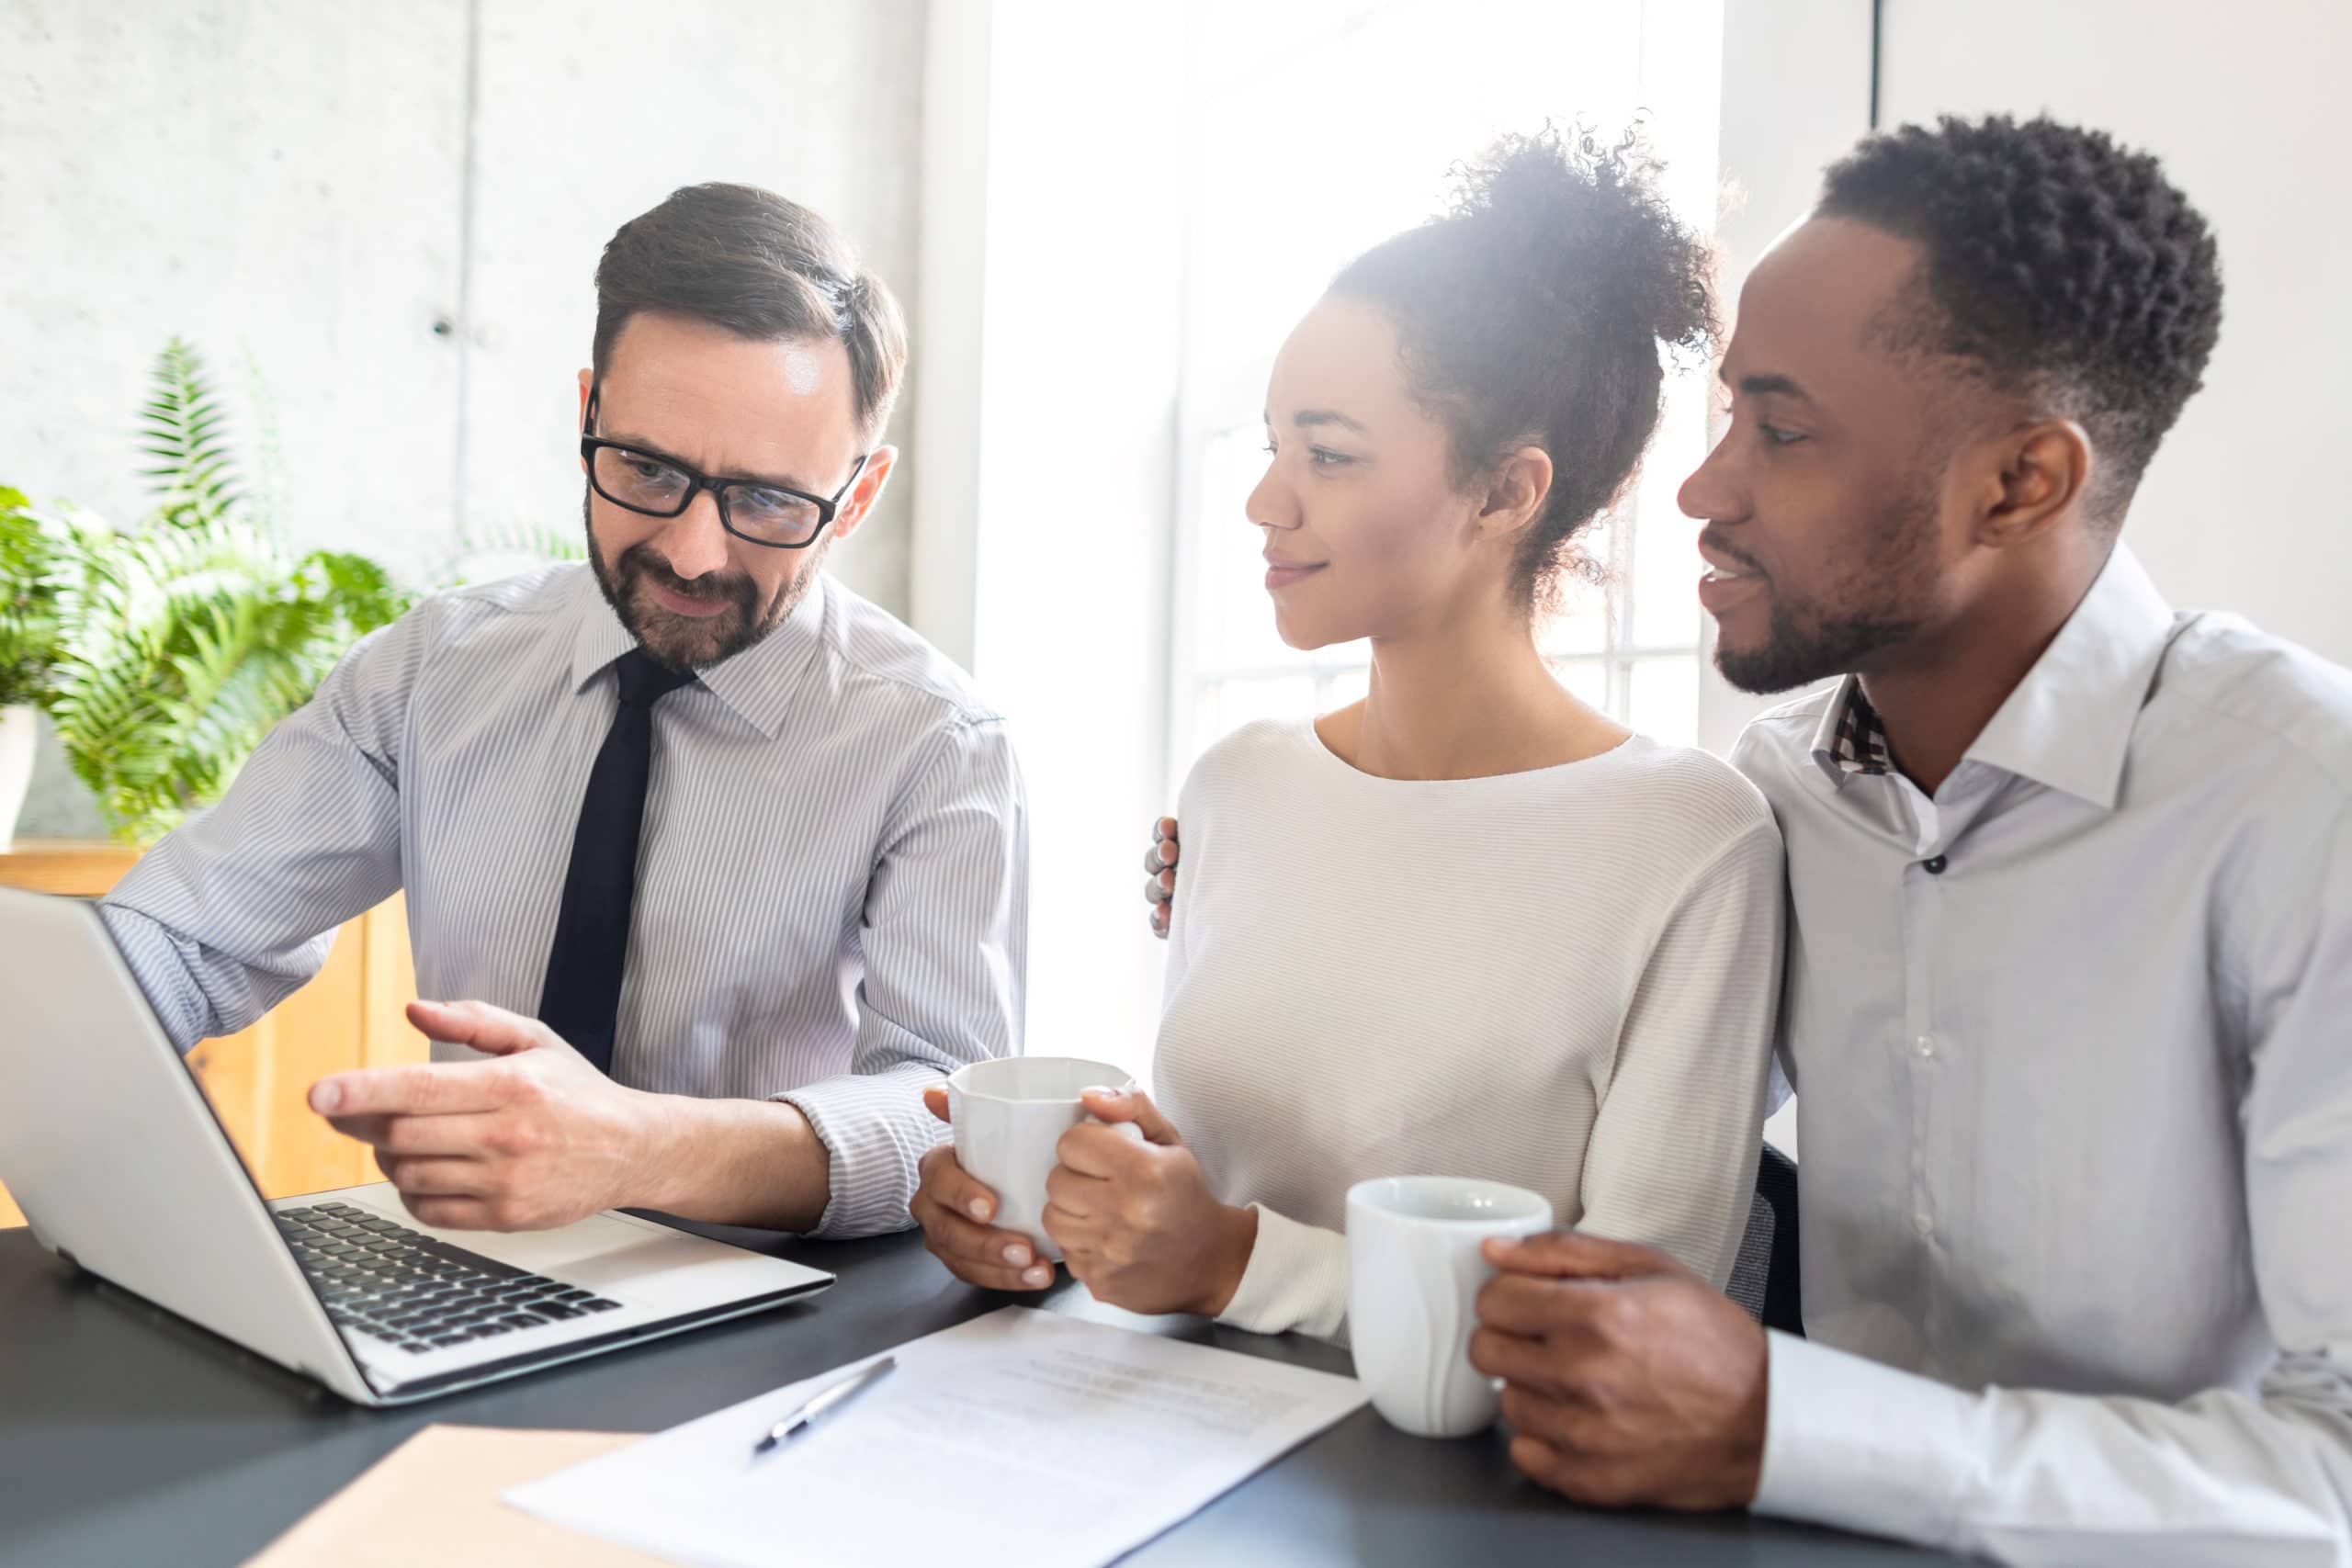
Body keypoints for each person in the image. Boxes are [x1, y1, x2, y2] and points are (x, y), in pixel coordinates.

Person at [1159, 114, 2352, 1563]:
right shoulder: (1781, 796)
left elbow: (2337, 1469)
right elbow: (1524, 1002)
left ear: (2020, 482)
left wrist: (1782, 1418)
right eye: (1727, 415)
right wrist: (1273, 874)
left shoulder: (2304, 809)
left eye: (1780, 431)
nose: (1702, 488)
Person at [916, 128, 1783, 1330]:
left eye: (1328, 453)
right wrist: (1063, 1216)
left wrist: (1231, 1260)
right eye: (1276, 442)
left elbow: (1637, 1325)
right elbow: (1215, 1198)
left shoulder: (1689, 842)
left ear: (1506, 491)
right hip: (1148, 1426)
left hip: (1451, 1498)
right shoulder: (1237, 785)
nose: (1266, 500)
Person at [99, 183, 1028, 1241]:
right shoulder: (434, 670)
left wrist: (637, 1148)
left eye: (768, 501)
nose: (691, 553)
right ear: (588, 412)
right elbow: (189, 939)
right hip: (474, 1277)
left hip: (785, 1315)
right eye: (645, 469)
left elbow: (948, 1111)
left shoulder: (937, 746)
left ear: (855, 497)